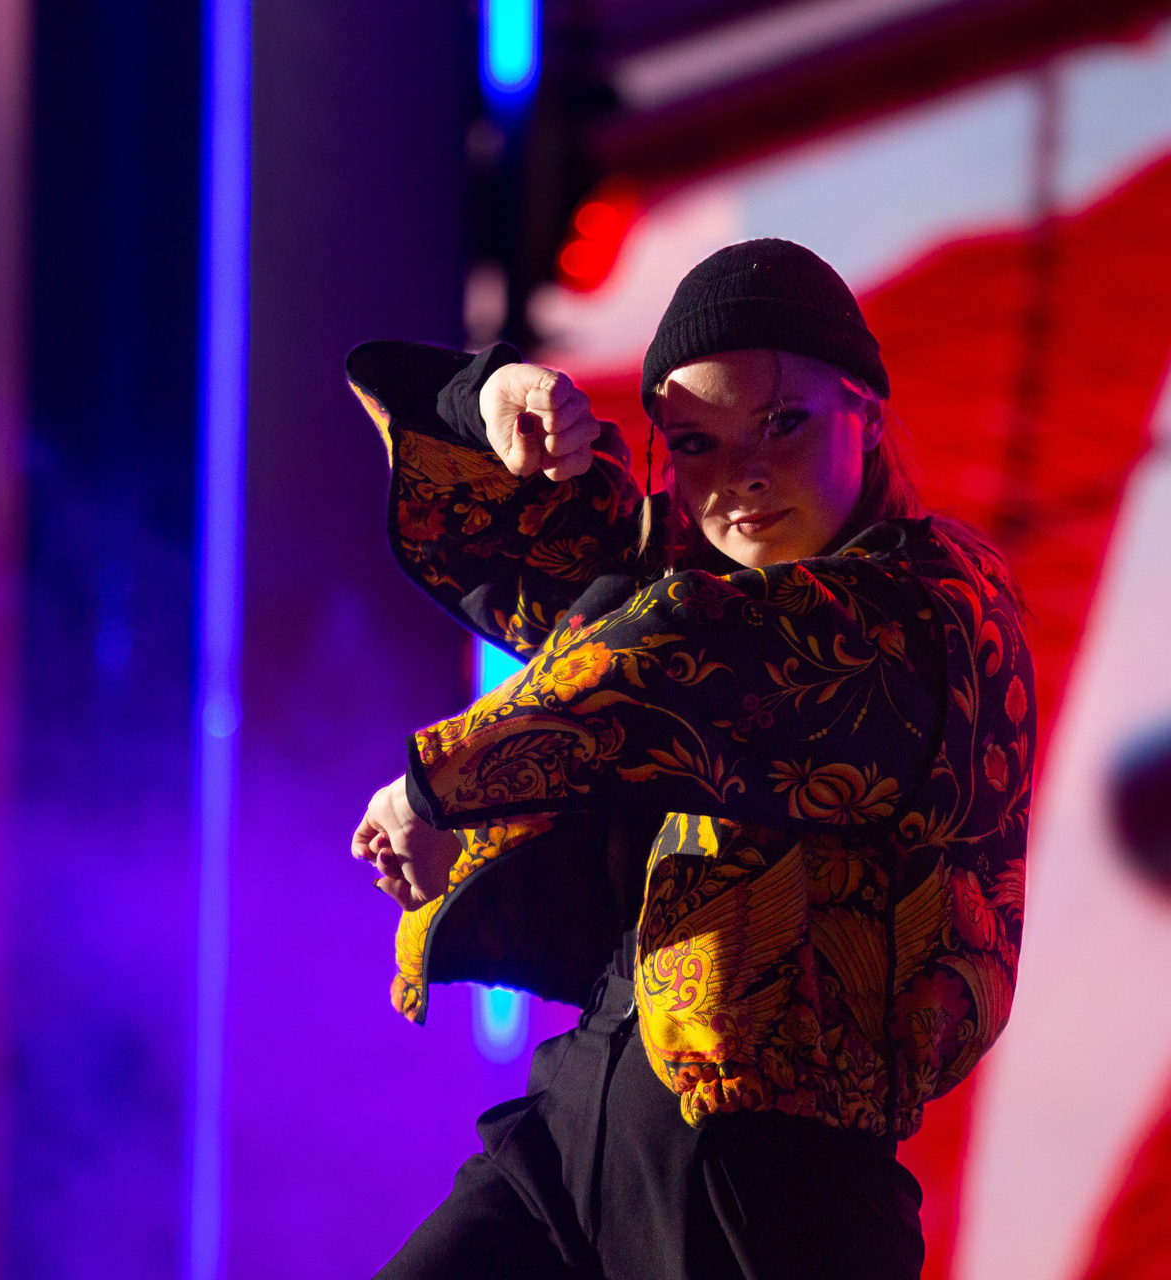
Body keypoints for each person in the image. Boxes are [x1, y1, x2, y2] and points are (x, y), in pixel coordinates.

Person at [346, 239, 1035, 1279]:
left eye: (783, 423)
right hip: (572, 1130)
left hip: (773, 1191)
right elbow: (496, 544)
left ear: (866, 415)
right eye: (697, 444)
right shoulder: (670, 576)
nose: (741, 476)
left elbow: (684, 656)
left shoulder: (936, 613)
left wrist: (440, 783)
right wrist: (492, 399)